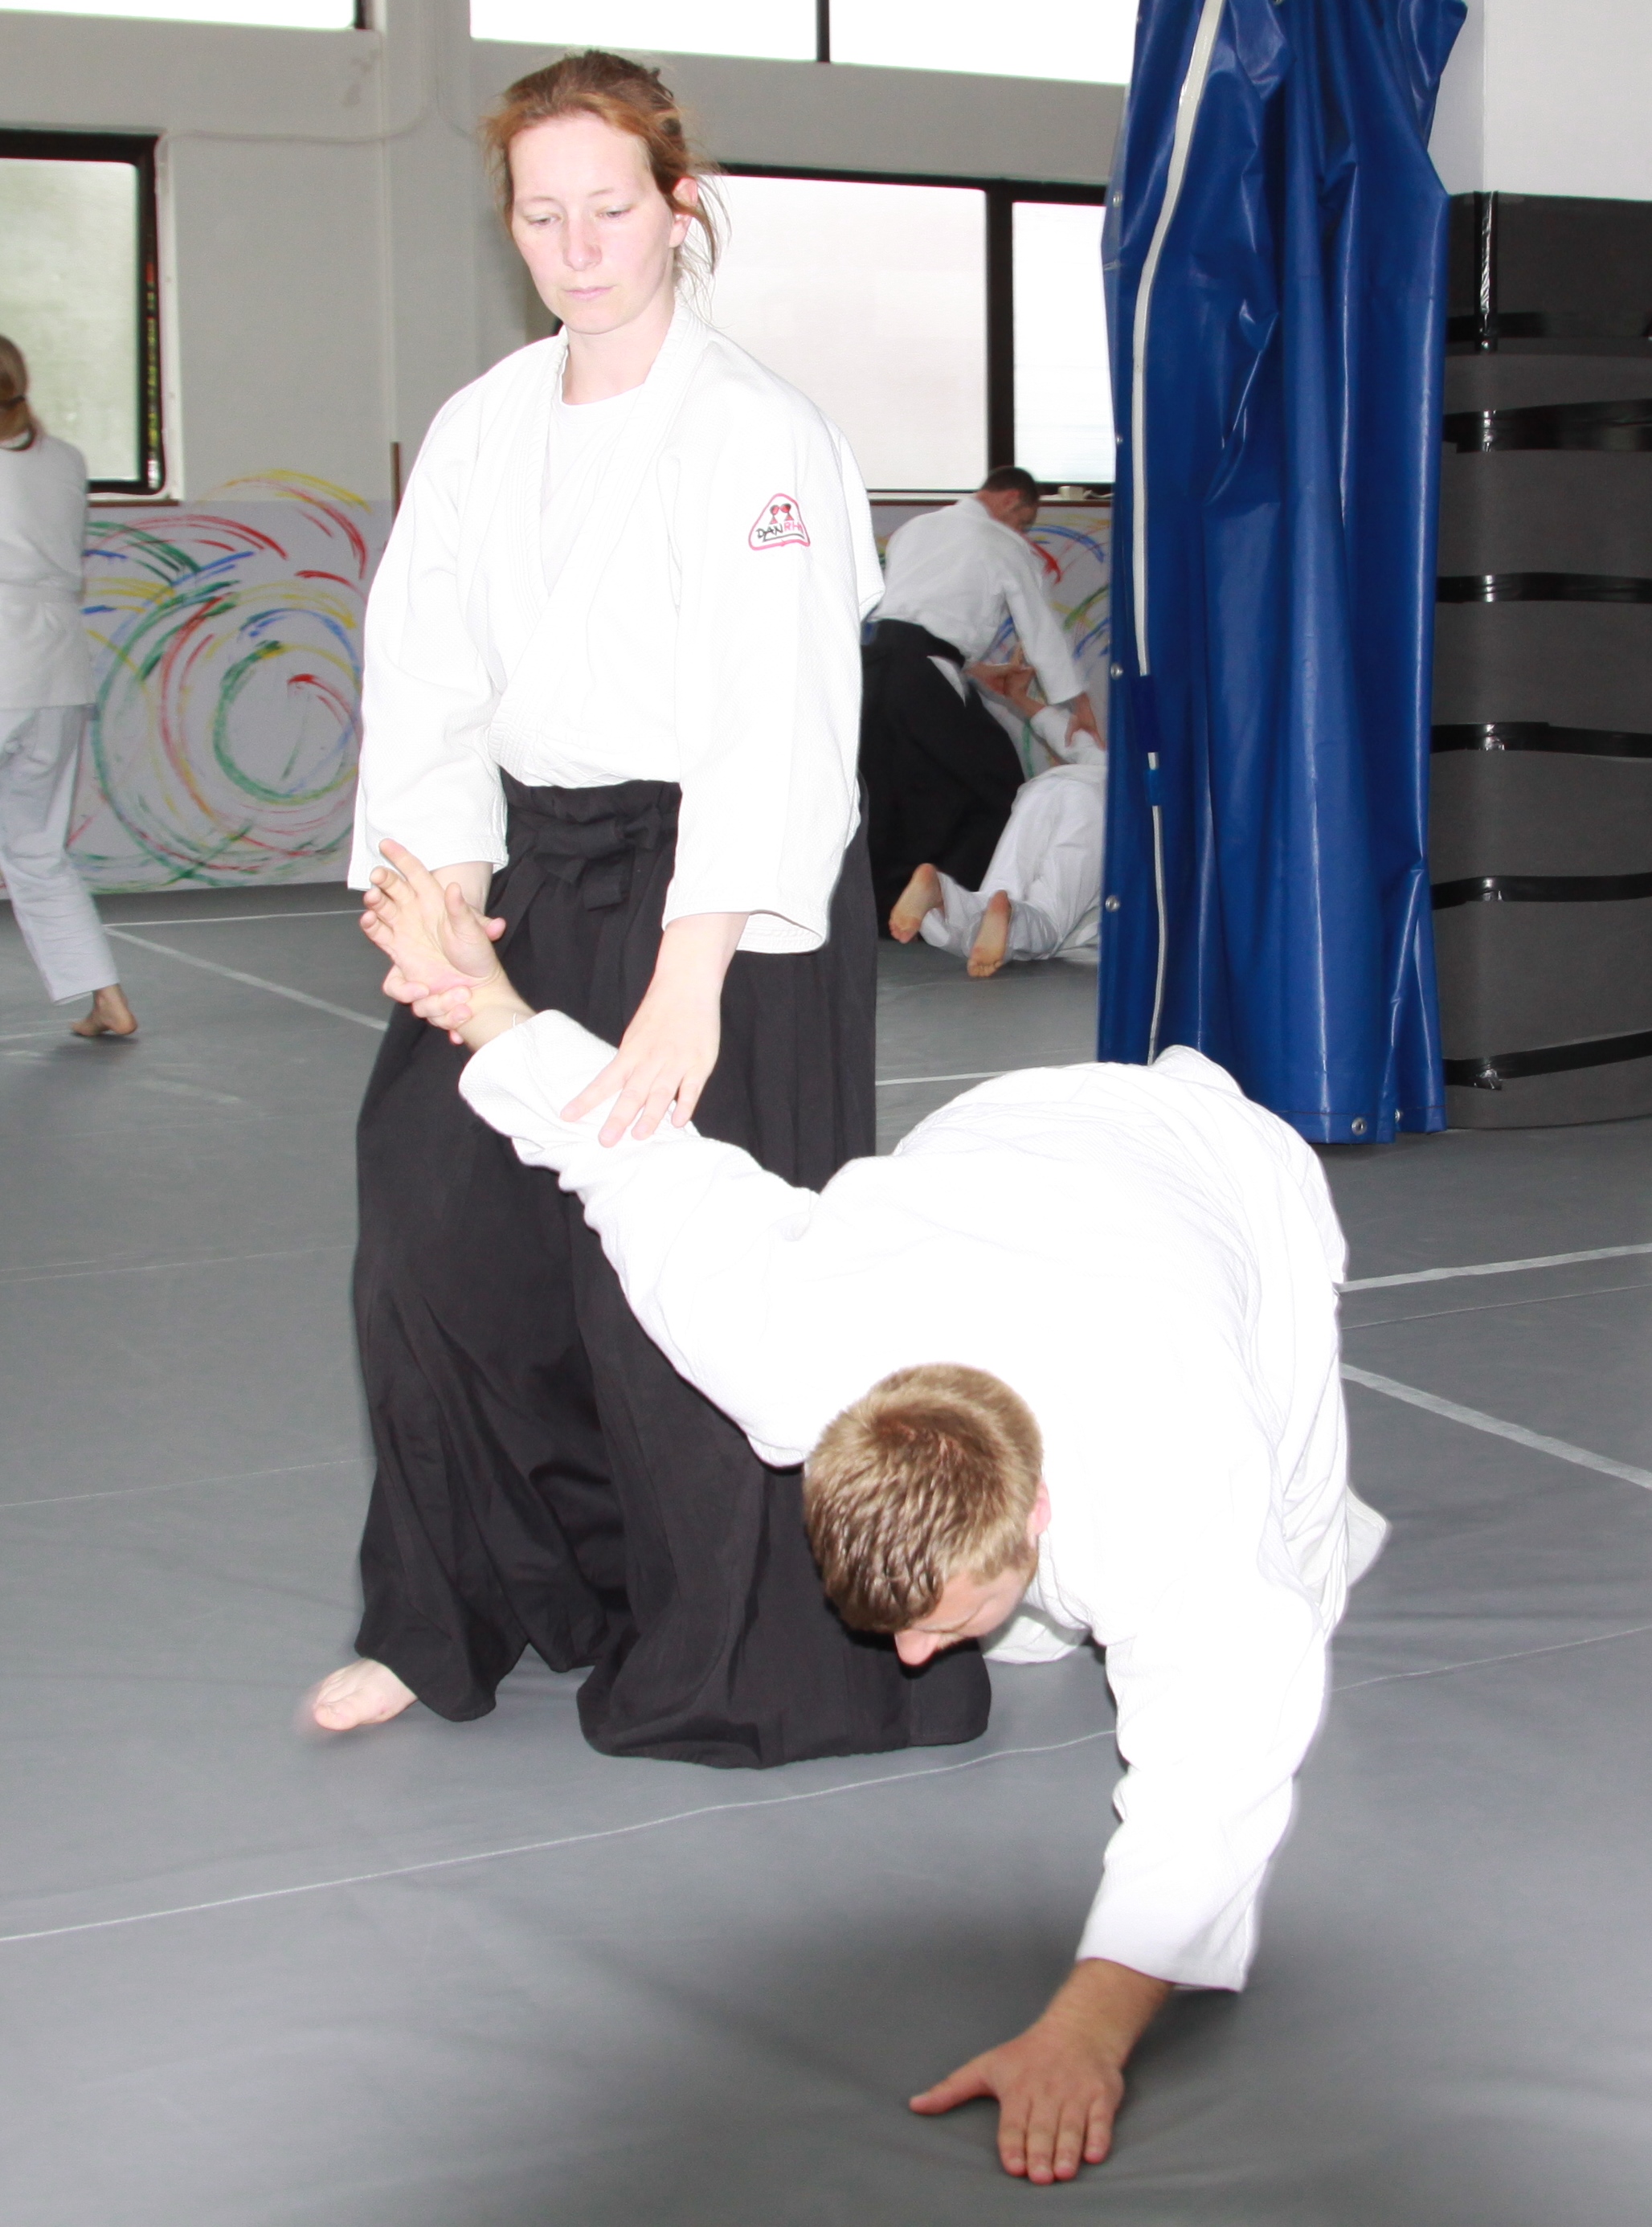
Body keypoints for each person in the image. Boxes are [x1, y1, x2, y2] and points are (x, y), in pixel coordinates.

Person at [358, 844, 1385, 2188]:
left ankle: (1251, 1574)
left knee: (1285, 1594)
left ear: (1036, 1509)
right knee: (1048, 1625)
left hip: (1223, 1181)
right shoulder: (785, 1348)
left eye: (931, 1624)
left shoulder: (1173, 1464)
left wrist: (1084, 2032)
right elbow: (631, 1155)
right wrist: (481, 996)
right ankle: (1029, 1610)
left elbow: (1205, 1784)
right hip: (1005, 1138)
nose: (903, 1659)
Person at [309, 51, 988, 1763]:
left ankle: (742, 1638)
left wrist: (689, 984)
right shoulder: (483, 426)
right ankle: (453, 1609)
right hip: (532, 870)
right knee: (431, 1234)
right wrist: (441, 897)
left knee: (698, 1278)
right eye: (541, 216)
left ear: (678, 208)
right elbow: (428, 679)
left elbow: (772, 726)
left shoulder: (754, 430)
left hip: (725, 902)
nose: (577, 246)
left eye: (608, 208)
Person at [860, 468, 1102, 926]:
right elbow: (1038, 627)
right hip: (924, 673)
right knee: (996, 783)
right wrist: (1078, 703)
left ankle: (886, 907)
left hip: (873, 670)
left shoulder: (916, 528)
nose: (1021, 532)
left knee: (890, 786)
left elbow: (915, 616)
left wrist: (973, 669)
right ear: (1012, 500)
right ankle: (970, 905)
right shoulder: (1002, 542)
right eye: (1024, 522)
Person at [0, 337, 137, 1040]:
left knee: (35, 850)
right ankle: (106, 999)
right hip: (54, 672)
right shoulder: (66, 460)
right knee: (38, 851)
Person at [889, 662, 1106, 977]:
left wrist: (1018, 696)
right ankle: (1006, 917)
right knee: (1050, 918)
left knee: (999, 893)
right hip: (1094, 806)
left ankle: (941, 895)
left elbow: (1072, 739)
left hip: (1048, 790)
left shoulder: (1125, 761)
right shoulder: (1163, 798)